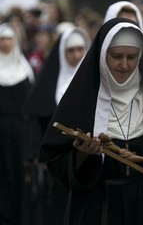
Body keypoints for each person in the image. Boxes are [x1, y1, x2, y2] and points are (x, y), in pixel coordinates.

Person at [38, 18, 143, 225]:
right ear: (102, 56)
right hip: (99, 211)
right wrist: (82, 154)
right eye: (116, 56)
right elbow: (57, 163)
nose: (124, 65)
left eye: (132, 57)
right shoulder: (83, 100)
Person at [24, 26, 91, 225]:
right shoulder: (51, 83)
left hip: (89, 160)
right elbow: (37, 117)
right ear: (62, 52)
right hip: (59, 162)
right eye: (71, 50)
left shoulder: (95, 82)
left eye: (80, 49)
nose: (76, 55)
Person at [0, 23, 34, 225]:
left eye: (8, 38)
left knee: (21, 178)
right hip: (1, 132)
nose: (5, 43)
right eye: (1, 39)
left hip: (21, 134)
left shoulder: (25, 69)